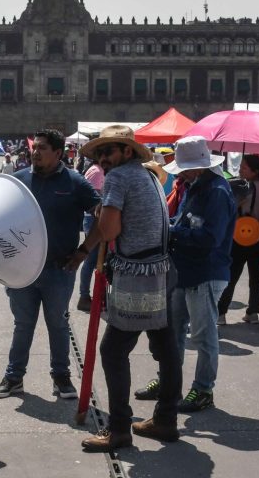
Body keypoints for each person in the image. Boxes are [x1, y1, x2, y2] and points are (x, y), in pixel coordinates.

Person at [78, 125, 181, 453]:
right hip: (160, 269)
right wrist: (84, 249)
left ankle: (120, 429)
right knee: (166, 349)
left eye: (110, 151)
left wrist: (102, 214)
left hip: (138, 274)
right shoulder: (148, 175)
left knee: (112, 351)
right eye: (99, 154)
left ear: (126, 152)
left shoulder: (120, 178)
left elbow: (109, 231)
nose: (103, 159)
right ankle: (166, 419)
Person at [0, 129, 100, 402]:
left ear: (58, 153)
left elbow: (102, 215)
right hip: (23, 271)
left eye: (41, 148)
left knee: (58, 324)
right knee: (23, 324)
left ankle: (61, 377)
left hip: (59, 270)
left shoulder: (75, 182)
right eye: (34, 147)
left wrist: (84, 252)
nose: (35, 152)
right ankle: (14, 377)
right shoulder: (17, 182)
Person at [161, 136, 235, 413]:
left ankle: (203, 389)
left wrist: (172, 232)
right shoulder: (196, 187)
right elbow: (185, 223)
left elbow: (210, 238)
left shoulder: (215, 191)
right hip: (187, 269)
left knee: (203, 337)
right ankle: (170, 380)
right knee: (174, 332)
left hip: (205, 271)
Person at [217, 155, 259, 325]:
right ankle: (253, 312)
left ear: (255, 171)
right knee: (256, 276)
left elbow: (231, 206)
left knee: (232, 275)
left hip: (243, 235)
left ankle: (221, 313)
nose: (240, 170)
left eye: (244, 168)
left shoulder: (245, 187)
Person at [76, 159, 105, 312]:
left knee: (95, 259)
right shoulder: (97, 171)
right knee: (92, 258)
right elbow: (93, 199)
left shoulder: (97, 169)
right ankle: (84, 296)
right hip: (93, 219)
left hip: (94, 218)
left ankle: (92, 295)